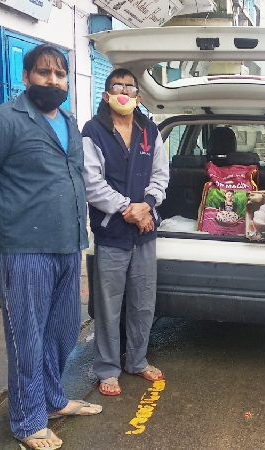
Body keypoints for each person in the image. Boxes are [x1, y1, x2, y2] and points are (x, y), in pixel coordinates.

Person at [0, 44, 101, 450]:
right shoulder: (3, 121)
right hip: (23, 248)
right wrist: (3, 224)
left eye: (60, 75)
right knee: (27, 337)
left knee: (62, 331)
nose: (53, 82)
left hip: (67, 244)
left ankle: (53, 401)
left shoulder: (71, 122)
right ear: (26, 77)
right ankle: (27, 421)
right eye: (44, 73)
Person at [82, 68, 169, 397]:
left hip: (144, 231)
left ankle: (137, 360)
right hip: (112, 233)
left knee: (143, 303)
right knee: (108, 305)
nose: (123, 92)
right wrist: (127, 210)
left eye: (130, 88)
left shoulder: (150, 130)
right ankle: (107, 368)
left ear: (138, 97)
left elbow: (161, 175)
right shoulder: (93, 131)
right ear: (106, 95)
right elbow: (92, 183)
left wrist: (145, 205)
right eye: (117, 87)